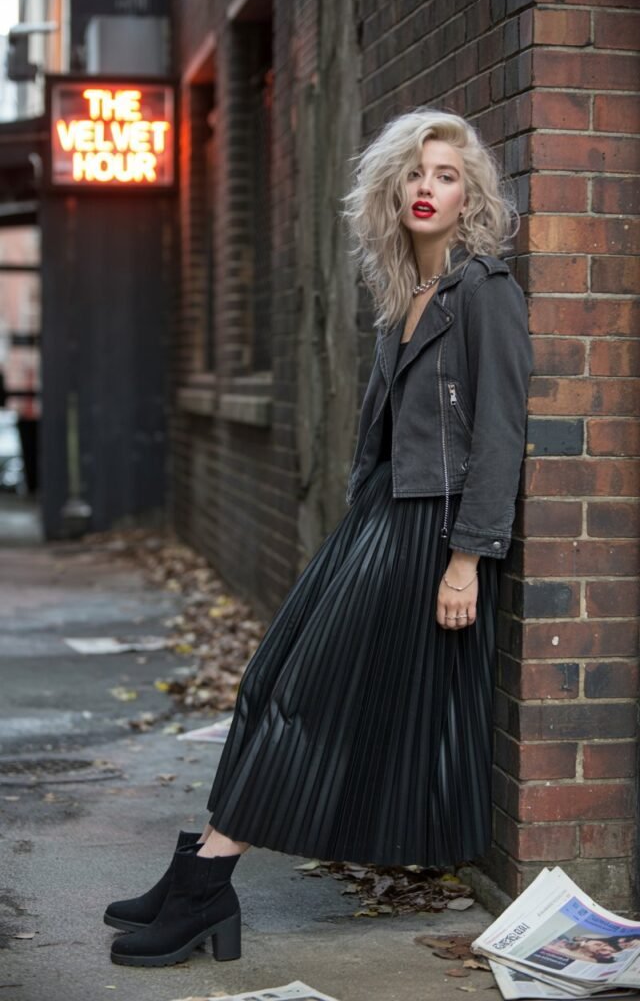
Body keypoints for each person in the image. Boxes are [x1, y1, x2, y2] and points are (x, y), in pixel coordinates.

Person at [105, 106, 533, 968]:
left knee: (300, 693)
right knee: (267, 681)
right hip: (378, 515)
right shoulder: (404, 295)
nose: (427, 187)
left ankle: (208, 884)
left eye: (447, 175)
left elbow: (501, 433)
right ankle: (196, 870)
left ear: (469, 195)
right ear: (392, 186)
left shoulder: (484, 292)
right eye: (416, 172)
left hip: (429, 532)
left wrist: (467, 559)